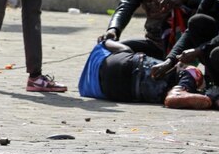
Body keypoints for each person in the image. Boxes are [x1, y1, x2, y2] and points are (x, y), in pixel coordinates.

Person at [78, 39, 211, 109]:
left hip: (116, 92)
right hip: (128, 68)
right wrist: (108, 40)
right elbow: (126, 48)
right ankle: (181, 89)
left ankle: (178, 92)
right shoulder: (100, 48)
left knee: (165, 86)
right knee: (185, 70)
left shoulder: (84, 87)